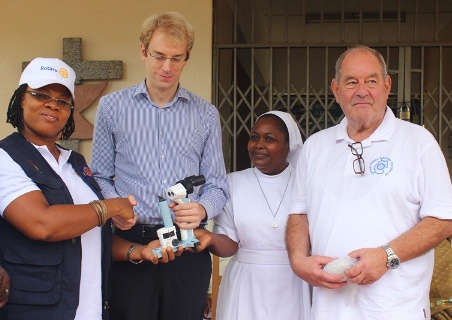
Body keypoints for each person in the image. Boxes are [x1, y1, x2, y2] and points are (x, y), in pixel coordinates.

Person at [285, 46, 452, 319]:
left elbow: (443, 220)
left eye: (371, 81)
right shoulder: (315, 146)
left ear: (387, 85)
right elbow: (299, 213)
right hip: (328, 309)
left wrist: (386, 256)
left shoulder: (418, 142)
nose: (362, 90)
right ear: (336, 88)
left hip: (396, 309)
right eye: (351, 82)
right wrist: (297, 261)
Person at [0, 57, 163, 319]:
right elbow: (43, 225)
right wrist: (112, 206)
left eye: (63, 101)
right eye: (41, 95)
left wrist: (138, 251)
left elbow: (88, 235)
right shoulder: (5, 158)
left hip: (92, 309)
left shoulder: (75, 163)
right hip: (37, 311)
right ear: (21, 99)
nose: (53, 104)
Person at [90, 12, 229, 320]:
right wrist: (117, 206)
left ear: (187, 58)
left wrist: (203, 209)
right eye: (159, 56)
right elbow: (99, 175)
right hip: (131, 243)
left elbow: (217, 184)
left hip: (187, 245)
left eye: (177, 58)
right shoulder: (112, 107)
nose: (167, 68)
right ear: (143, 51)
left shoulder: (205, 114)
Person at [193, 111, 309, 319]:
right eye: (254, 137)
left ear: (288, 146)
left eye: (269, 139)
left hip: (294, 280)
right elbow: (230, 244)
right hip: (246, 284)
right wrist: (210, 238)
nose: (258, 145)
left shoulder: (306, 184)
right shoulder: (232, 183)